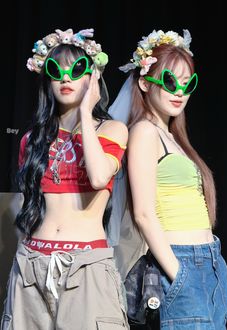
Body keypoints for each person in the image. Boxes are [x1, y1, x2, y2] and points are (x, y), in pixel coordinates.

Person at [1, 27, 129, 330]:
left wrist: (86, 112)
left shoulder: (111, 130)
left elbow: (99, 177)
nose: (66, 78)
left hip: (85, 267)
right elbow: (28, 204)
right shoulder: (32, 139)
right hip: (31, 266)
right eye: (57, 70)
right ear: (47, 78)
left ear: (92, 76)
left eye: (78, 69)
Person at [115, 28, 227, 329]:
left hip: (211, 262)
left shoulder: (173, 138)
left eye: (187, 83)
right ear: (145, 81)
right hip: (182, 262)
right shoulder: (144, 132)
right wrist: (178, 272)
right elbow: (143, 213)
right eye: (169, 81)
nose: (180, 92)